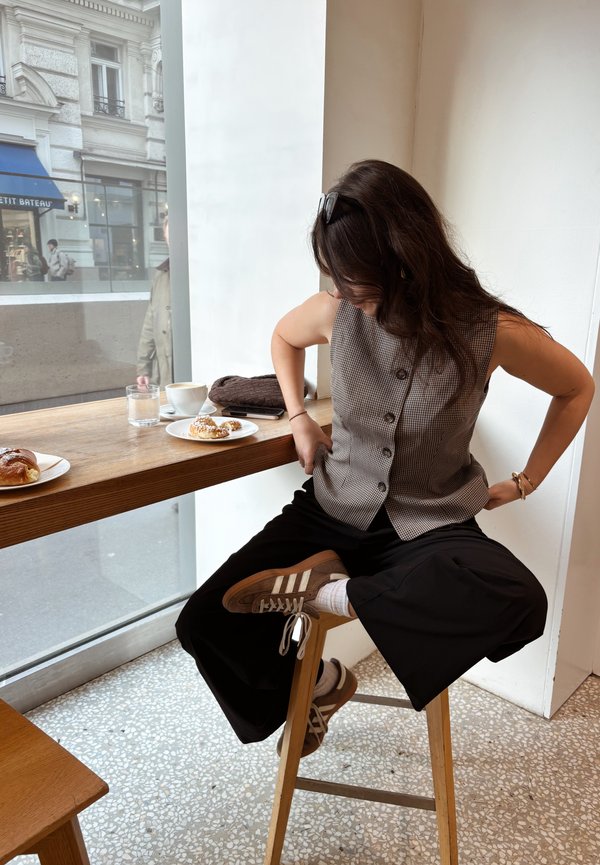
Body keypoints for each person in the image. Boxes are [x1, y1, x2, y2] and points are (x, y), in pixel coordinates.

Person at [176, 159, 594, 756]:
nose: (348, 299)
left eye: (362, 289)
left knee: (519, 598)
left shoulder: (490, 330)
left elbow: (577, 387)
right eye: (341, 284)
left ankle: (327, 594)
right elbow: (283, 337)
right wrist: (298, 418)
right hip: (330, 509)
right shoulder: (334, 310)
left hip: (429, 524)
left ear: (408, 262)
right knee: (203, 620)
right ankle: (319, 683)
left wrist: (526, 481)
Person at [136, 216, 172, 387]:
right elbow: (151, 321)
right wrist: (143, 367)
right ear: (165, 237)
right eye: (170, 235)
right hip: (165, 372)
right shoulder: (161, 276)